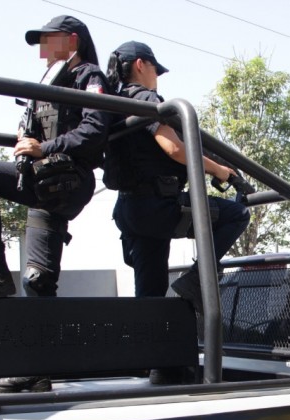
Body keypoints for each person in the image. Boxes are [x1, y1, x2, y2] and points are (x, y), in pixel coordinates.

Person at [0, 15, 111, 393]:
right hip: (42, 182)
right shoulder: (46, 84)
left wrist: (43, 147)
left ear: (72, 40)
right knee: (38, 279)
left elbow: (95, 130)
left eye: (49, 41)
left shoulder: (88, 76)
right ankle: (36, 371)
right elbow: (32, 131)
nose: (43, 50)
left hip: (67, 178)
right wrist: (25, 139)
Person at [107, 41, 251, 311]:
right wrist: (218, 169)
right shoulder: (145, 99)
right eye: (155, 70)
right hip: (157, 207)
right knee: (237, 215)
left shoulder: (113, 103)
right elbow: (173, 148)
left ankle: (149, 351)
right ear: (140, 65)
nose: (156, 77)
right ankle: (196, 280)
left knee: (151, 294)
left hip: (130, 210)